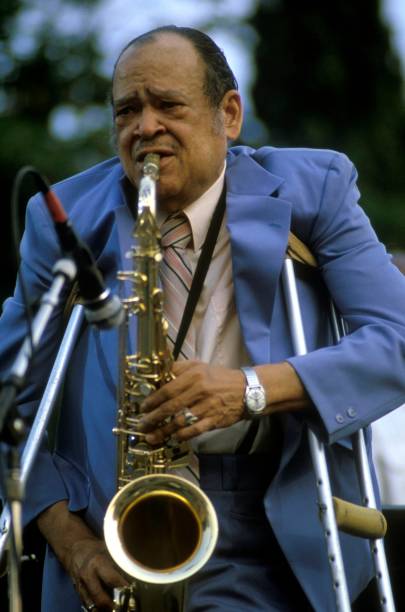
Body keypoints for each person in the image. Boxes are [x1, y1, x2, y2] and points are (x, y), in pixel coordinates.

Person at [1, 25, 405, 612]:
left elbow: (397, 339)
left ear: (229, 115)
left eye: (168, 105)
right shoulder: (62, 220)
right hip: (111, 523)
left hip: (275, 512)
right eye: (127, 110)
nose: (145, 128)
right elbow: (10, 406)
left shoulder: (315, 189)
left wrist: (251, 390)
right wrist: (71, 541)